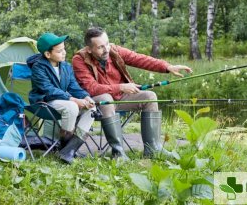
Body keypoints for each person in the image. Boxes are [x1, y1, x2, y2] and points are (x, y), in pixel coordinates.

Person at [72, 27, 193, 159]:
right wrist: (121, 87)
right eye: (100, 47)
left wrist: (167, 67)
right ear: (89, 49)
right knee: (106, 98)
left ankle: (153, 149)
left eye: (107, 43)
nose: (106, 49)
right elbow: (91, 88)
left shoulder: (114, 51)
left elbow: (140, 59)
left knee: (150, 96)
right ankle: (118, 153)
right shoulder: (79, 59)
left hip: (120, 98)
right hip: (97, 103)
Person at [27, 32, 96, 164]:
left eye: (64, 49)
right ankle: (63, 147)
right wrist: (74, 100)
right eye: (59, 51)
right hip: (44, 102)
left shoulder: (65, 67)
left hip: (63, 101)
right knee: (71, 106)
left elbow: (74, 87)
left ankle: (69, 150)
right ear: (48, 54)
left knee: (92, 109)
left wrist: (86, 97)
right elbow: (49, 90)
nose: (64, 53)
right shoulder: (38, 67)